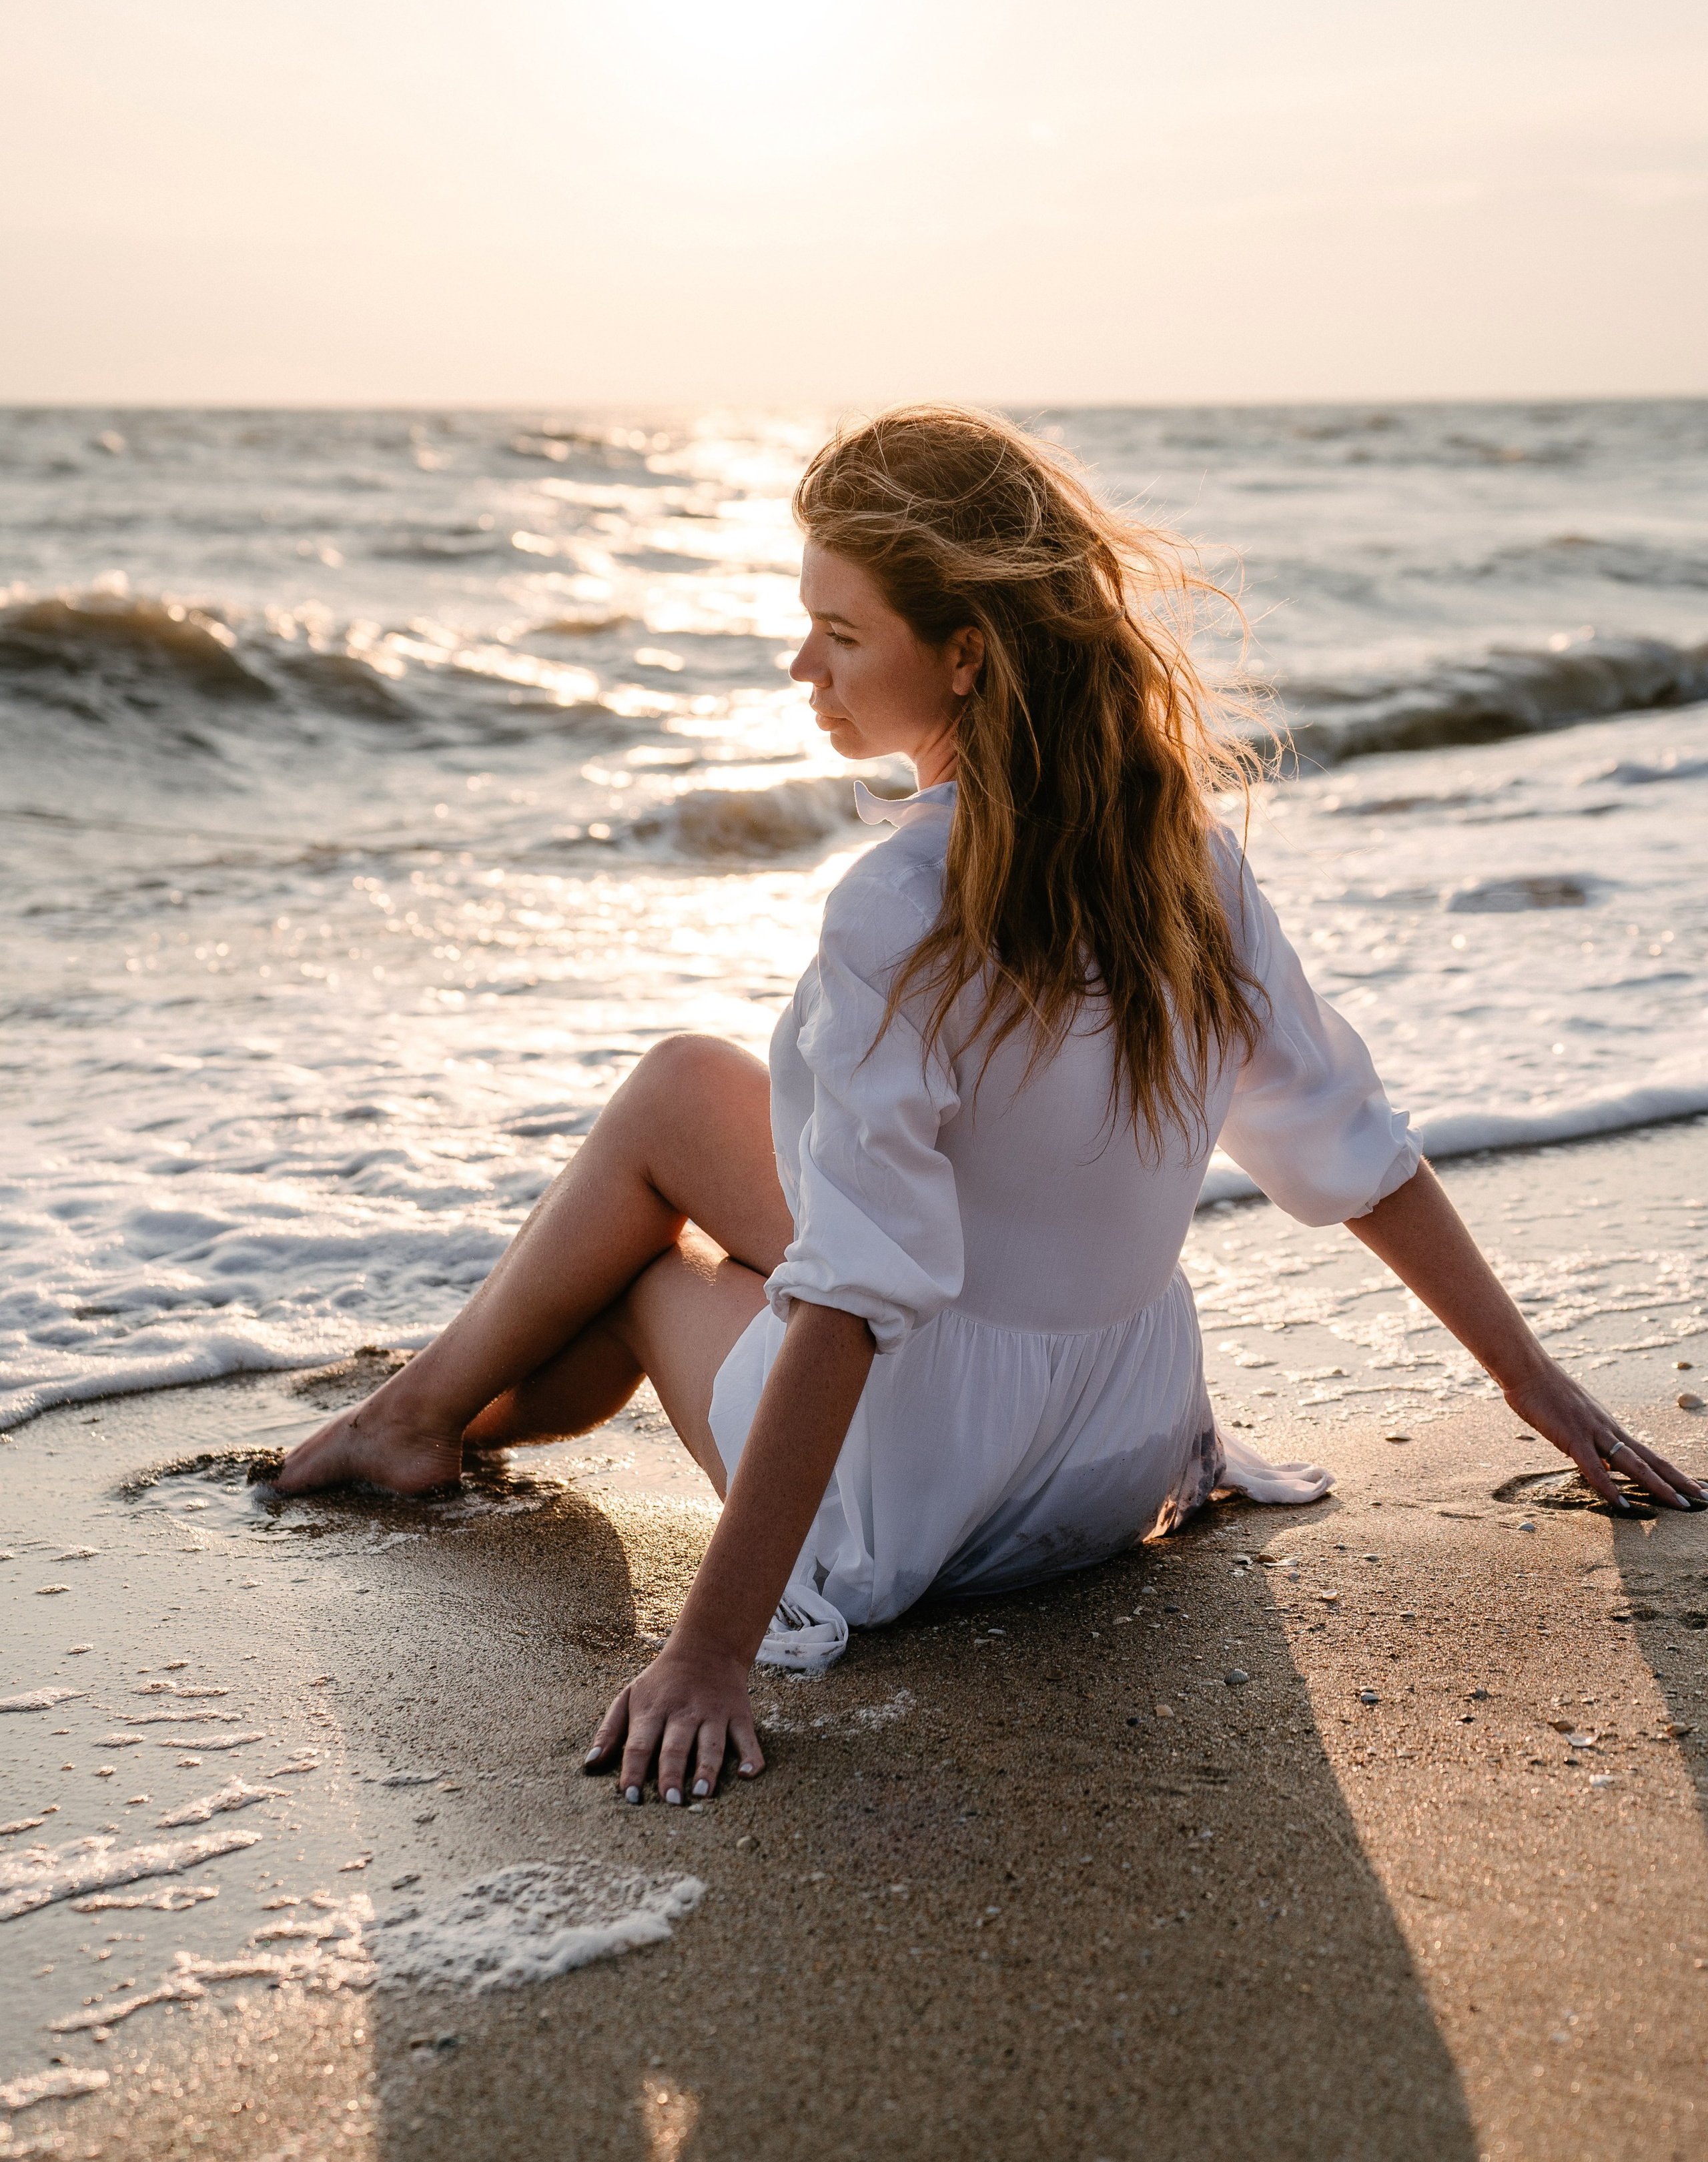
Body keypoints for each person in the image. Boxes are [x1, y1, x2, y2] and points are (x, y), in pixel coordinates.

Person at [277, 404, 1705, 1806]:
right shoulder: (1184, 859)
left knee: (650, 1268)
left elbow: (848, 1302)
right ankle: (423, 1418)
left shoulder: (892, 909)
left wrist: (709, 1652)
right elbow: (1350, 1150)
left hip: (909, 1508)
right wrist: (1538, 1389)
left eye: (840, 637)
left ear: (963, 656)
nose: (800, 666)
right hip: (1117, 1455)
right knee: (684, 1088)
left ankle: (418, 1415)